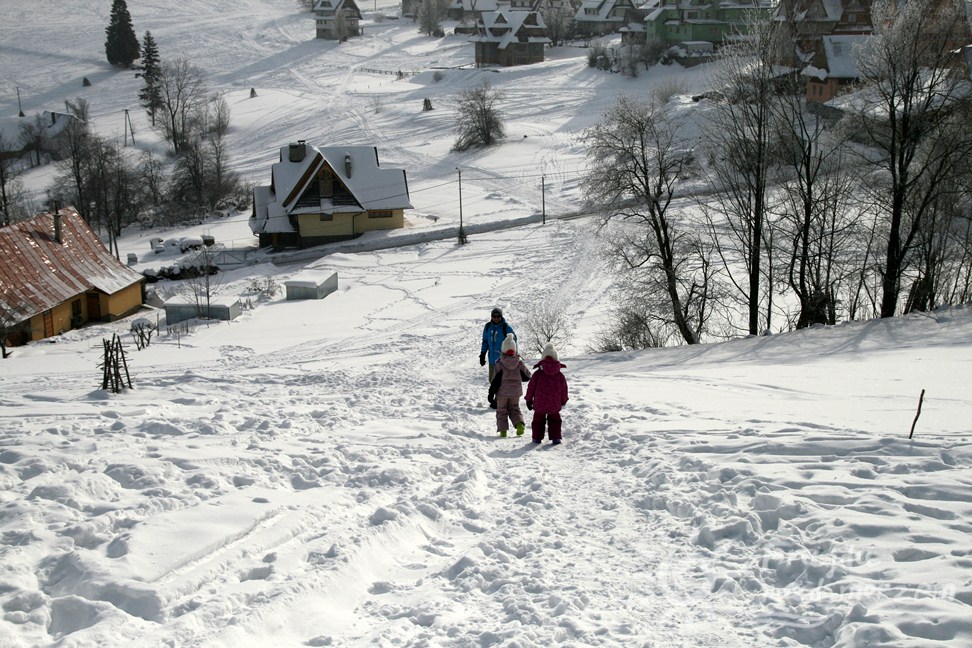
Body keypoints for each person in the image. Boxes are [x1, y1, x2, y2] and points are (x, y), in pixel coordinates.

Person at [487, 333, 531, 438]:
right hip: (515, 392)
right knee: (514, 409)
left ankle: (503, 431)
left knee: (501, 411)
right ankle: (519, 424)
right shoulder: (519, 363)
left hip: (502, 393)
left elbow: (495, 380)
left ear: (503, 350)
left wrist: (491, 393)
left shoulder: (500, 363)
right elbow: (528, 376)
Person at [525, 343, 569, 445]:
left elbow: (531, 388)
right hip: (554, 404)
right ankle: (556, 438)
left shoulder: (537, 374)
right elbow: (564, 390)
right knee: (555, 420)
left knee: (538, 421)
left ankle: (537, 439)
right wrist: (563, 401)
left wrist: (528, 399)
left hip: (539, 404)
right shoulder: (560, 376)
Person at [480, 307, 516, 381]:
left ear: (501, 316)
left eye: (498, 316)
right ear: (491, 317)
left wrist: (512, 357)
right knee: (492, 381)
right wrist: (483, 354)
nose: (496, 318)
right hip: (492, 361)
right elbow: (485, 341)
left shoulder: (506, 327)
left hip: (503, 362)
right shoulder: (488, 327)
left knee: (503, 384)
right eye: (494, 316)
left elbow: (513, 342)